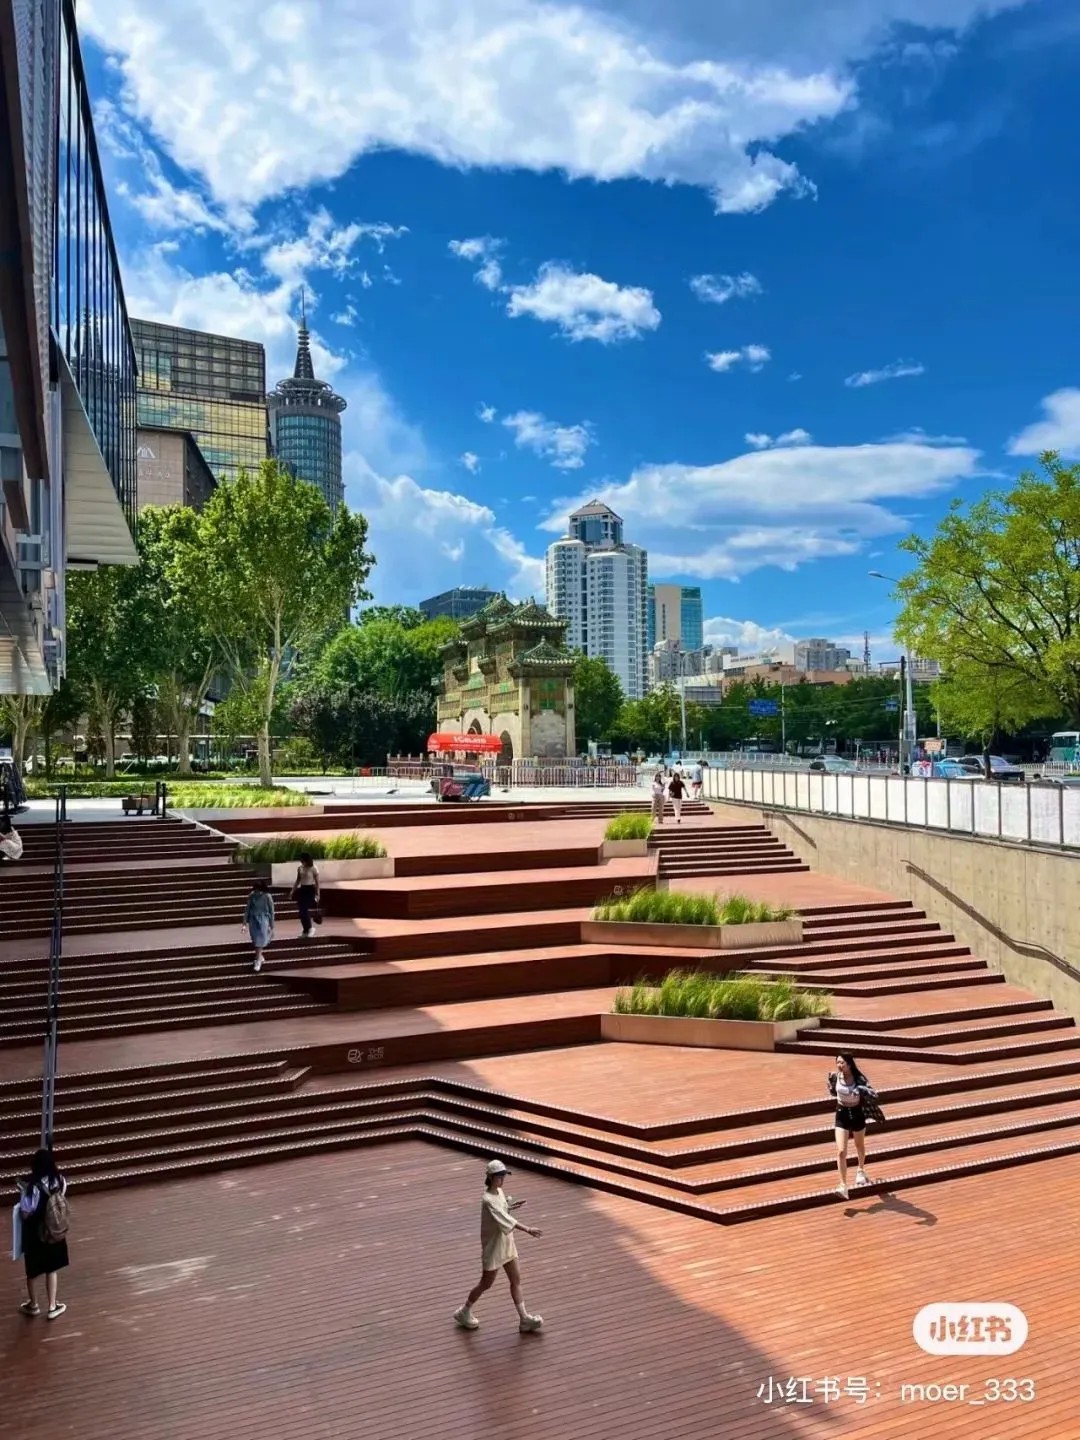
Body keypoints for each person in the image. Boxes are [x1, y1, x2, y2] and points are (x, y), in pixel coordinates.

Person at [454, 1159, 544, 1334]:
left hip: (507, 1243)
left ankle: (524, 1318)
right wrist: (527, 1229)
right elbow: (503, 1218)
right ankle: (464, 1311)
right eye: (499, 1176)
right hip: (494, 1247)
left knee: (516, 1281)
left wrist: (510, 1207)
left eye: (503, 1176)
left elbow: (503, 1212)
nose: (502, 1179)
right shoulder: (487, 1199)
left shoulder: (499, 1192)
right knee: (485, 1283)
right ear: (490, 1177)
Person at [17, 1148, 69, 1320]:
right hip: (54, 1231)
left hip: (36, 1235)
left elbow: (25, 1213)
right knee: (51, 1269)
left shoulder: (33, 1187)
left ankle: (33, 1304)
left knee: (32, 1271)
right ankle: (53, 1306)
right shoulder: (60, 1180)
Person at [828, 1054, 874, 1198]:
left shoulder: (859, 1078)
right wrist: (830, 1085)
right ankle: (843, 1185)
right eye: (838, 1062)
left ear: (849, 1064)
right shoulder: (835, 1077)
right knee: (841, 1151)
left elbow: (871, 1093)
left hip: (857, 1114)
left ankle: (860, 1170)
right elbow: (833, 1092)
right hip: (841, 1115)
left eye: (842, 1063)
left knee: (859, 1145)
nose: (839, 1065)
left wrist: (861, 1091)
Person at [244, 878, 275, 972]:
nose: (257, 892)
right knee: (255, 938)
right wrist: (244, 923)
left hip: (264, 919)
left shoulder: (267, 896)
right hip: (253, 920)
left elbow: (272, 911)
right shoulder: (252, 896)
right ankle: (259, 956)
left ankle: (257, 960)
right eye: (256, 890)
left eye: (259, 890)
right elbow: (247, 909)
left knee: (260, 938)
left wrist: (271, 925)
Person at [291, 853, 320, 939]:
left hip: (310, 890)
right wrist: (292, 891)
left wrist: (318, 894)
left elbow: (317, 883)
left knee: (304, 910)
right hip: (302, 890)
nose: (302, 862)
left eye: (303, 860)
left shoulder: (314, 868)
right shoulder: (300, 868)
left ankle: (310, 928)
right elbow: (298, 880)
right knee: (301, 912)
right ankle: (305, 930)